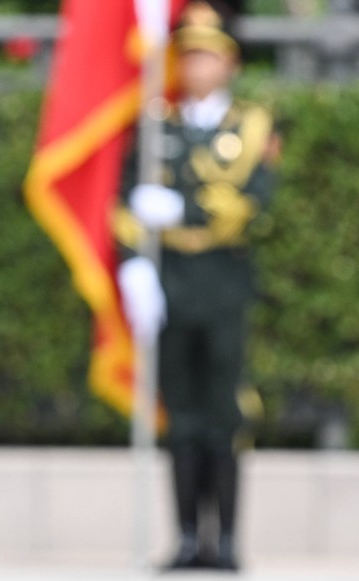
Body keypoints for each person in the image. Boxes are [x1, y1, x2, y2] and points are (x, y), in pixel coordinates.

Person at [114, 0, 279, 571]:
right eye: (189, 57)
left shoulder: (252, 128)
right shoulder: (158, 125)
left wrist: (177, 205)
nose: (197, 66)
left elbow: (248, 205)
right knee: (180, 411)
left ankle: (226, 540)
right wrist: (134, 262)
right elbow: (127, 203)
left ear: (229, 63)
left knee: (223, 411)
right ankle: (186, 538)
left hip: (223, 279)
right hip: (172, 281)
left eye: (208, 55)